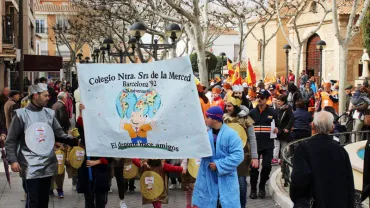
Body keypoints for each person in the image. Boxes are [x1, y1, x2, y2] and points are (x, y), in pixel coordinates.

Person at [5, 83, 78, 208]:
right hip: (29, 165)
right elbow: (11, 140)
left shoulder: (50, 113)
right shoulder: (20, 114)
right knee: (33, 201)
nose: (48, 98)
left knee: (44, 200)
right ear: (35, 96)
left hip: (47, 163)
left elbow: (59, 134)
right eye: (45, 95)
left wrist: (76, 140)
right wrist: (13, 160)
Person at [290, 111, 355, 208]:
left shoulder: (303, 148)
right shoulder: (341, 150)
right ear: (332, 128)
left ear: (312, 125)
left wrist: (298, 200)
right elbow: (349, 182)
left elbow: (299, 180)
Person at [192, 106, 244, 208]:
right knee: (207, 203)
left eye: (207, 117)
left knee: (225, 203)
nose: (205, 119)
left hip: (226, 177)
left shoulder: (231, 134)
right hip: (207, 176)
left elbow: (238, 155)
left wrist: (219, 165)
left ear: (215, 119)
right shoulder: (204, 134)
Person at [224, 96, 258, 208]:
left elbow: (252, 139)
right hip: (226, 154)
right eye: (227, 106)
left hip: (242, 153)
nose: (227, 108)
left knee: (241, 181)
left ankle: (242, 205)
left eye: (230, 106)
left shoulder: (246, 119)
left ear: (236, 106)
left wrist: (254, 157)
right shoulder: (224, 118)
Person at [75, 107, 112, 208]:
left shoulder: (106, 136)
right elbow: (80, 127)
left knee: (100, 201)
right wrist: (81, 112)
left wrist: (97, 162)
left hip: (101, 173)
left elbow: (110, 156)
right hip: (87, 174)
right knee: (89, 201)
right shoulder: (87, 135)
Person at [248, 89, 279, 199]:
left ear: (267, 99)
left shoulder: (273, 112)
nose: (259, 99)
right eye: (258, 97)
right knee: (254, 169)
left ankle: (261, 186)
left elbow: (278, 126)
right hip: (255, 145)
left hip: (268, 145)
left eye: (261, 98)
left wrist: (277, 129)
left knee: (267, 166)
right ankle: (253, 189)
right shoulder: (251, 113)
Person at [274, 95, 294, 186]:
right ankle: (277, 159)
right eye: (277, 101)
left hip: (284, 132)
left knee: (283, 147)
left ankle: (283, 163)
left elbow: (292, 119)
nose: (278, 102)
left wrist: (288, 128)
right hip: (278, 131)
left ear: (283, 101)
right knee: (277, 145)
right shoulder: (277, 109)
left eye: (279, 101)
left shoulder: (287, 108)